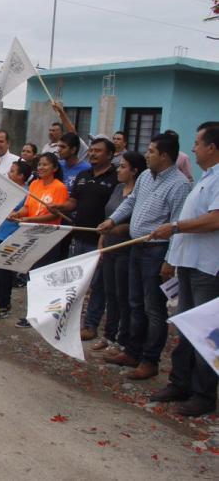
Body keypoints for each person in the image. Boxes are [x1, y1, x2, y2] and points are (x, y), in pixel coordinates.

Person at [97, 133, 192, 380]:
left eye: (151, 151)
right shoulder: (145, 179)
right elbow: (130, 203)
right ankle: (132, 351)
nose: (147, 154)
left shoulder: (180, 185)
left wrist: (169, 260)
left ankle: (150, 360)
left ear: (164, 155)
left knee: (153, 309)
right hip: (135, 247)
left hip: (156, 251)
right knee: (134, 302)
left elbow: (177, 225)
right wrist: (112, 219)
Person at [148, 122, 219, 416]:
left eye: (198, 142)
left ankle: (203, 395)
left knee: (205, 333)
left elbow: (215, 220)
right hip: (190, 264)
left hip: (208, 268)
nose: (193, 148)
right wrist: (173, 258)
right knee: (185, 328)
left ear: (212, 147)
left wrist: (175, 226)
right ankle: (180, 382)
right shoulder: (206, 178)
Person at [49, 137, 119, 341]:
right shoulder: (83, 174)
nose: (93, 153)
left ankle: (90, 325)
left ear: (110, 155)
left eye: (99, 151)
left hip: (99, 240)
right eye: (92, 150)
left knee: (97, 286)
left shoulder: (115, 178)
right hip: (78, 236)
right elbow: (73, 202)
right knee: (75, 282)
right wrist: (60, 207)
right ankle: (67, 318)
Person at [93, 151, 146, 353]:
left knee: (123, 296)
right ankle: (108, 335)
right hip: (109, 247)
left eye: (123, 166)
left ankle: (122, 339)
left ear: (134, 171)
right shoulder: (117, 189)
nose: (119, 170)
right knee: (110, 294)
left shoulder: (139, 194)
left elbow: (131, 224)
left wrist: (115, 230)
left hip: (126, 250)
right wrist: (102, 240)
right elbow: (109, 217)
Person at [11, 152, 69, 328]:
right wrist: (17, 214)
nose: (41, 168)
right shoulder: (34, 184)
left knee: (43, 277)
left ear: (55, 168)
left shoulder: (59, 188)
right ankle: (32, 314)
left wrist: (30, 220)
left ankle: (41, 316)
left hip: (49, 238)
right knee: (31, 277)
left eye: (45, 165)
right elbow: (28, 208)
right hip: (31, 236)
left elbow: (54, 215)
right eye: (39, 165)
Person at [0, 161, 34, 320]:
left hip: (12, 237)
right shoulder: (8, 190)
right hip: (0, 235)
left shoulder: (26, 194)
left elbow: (23, 213)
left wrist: (14, 213)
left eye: (12, 171)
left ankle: (3, 305)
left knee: (4, 275)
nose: (8, 174)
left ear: (21, 176)